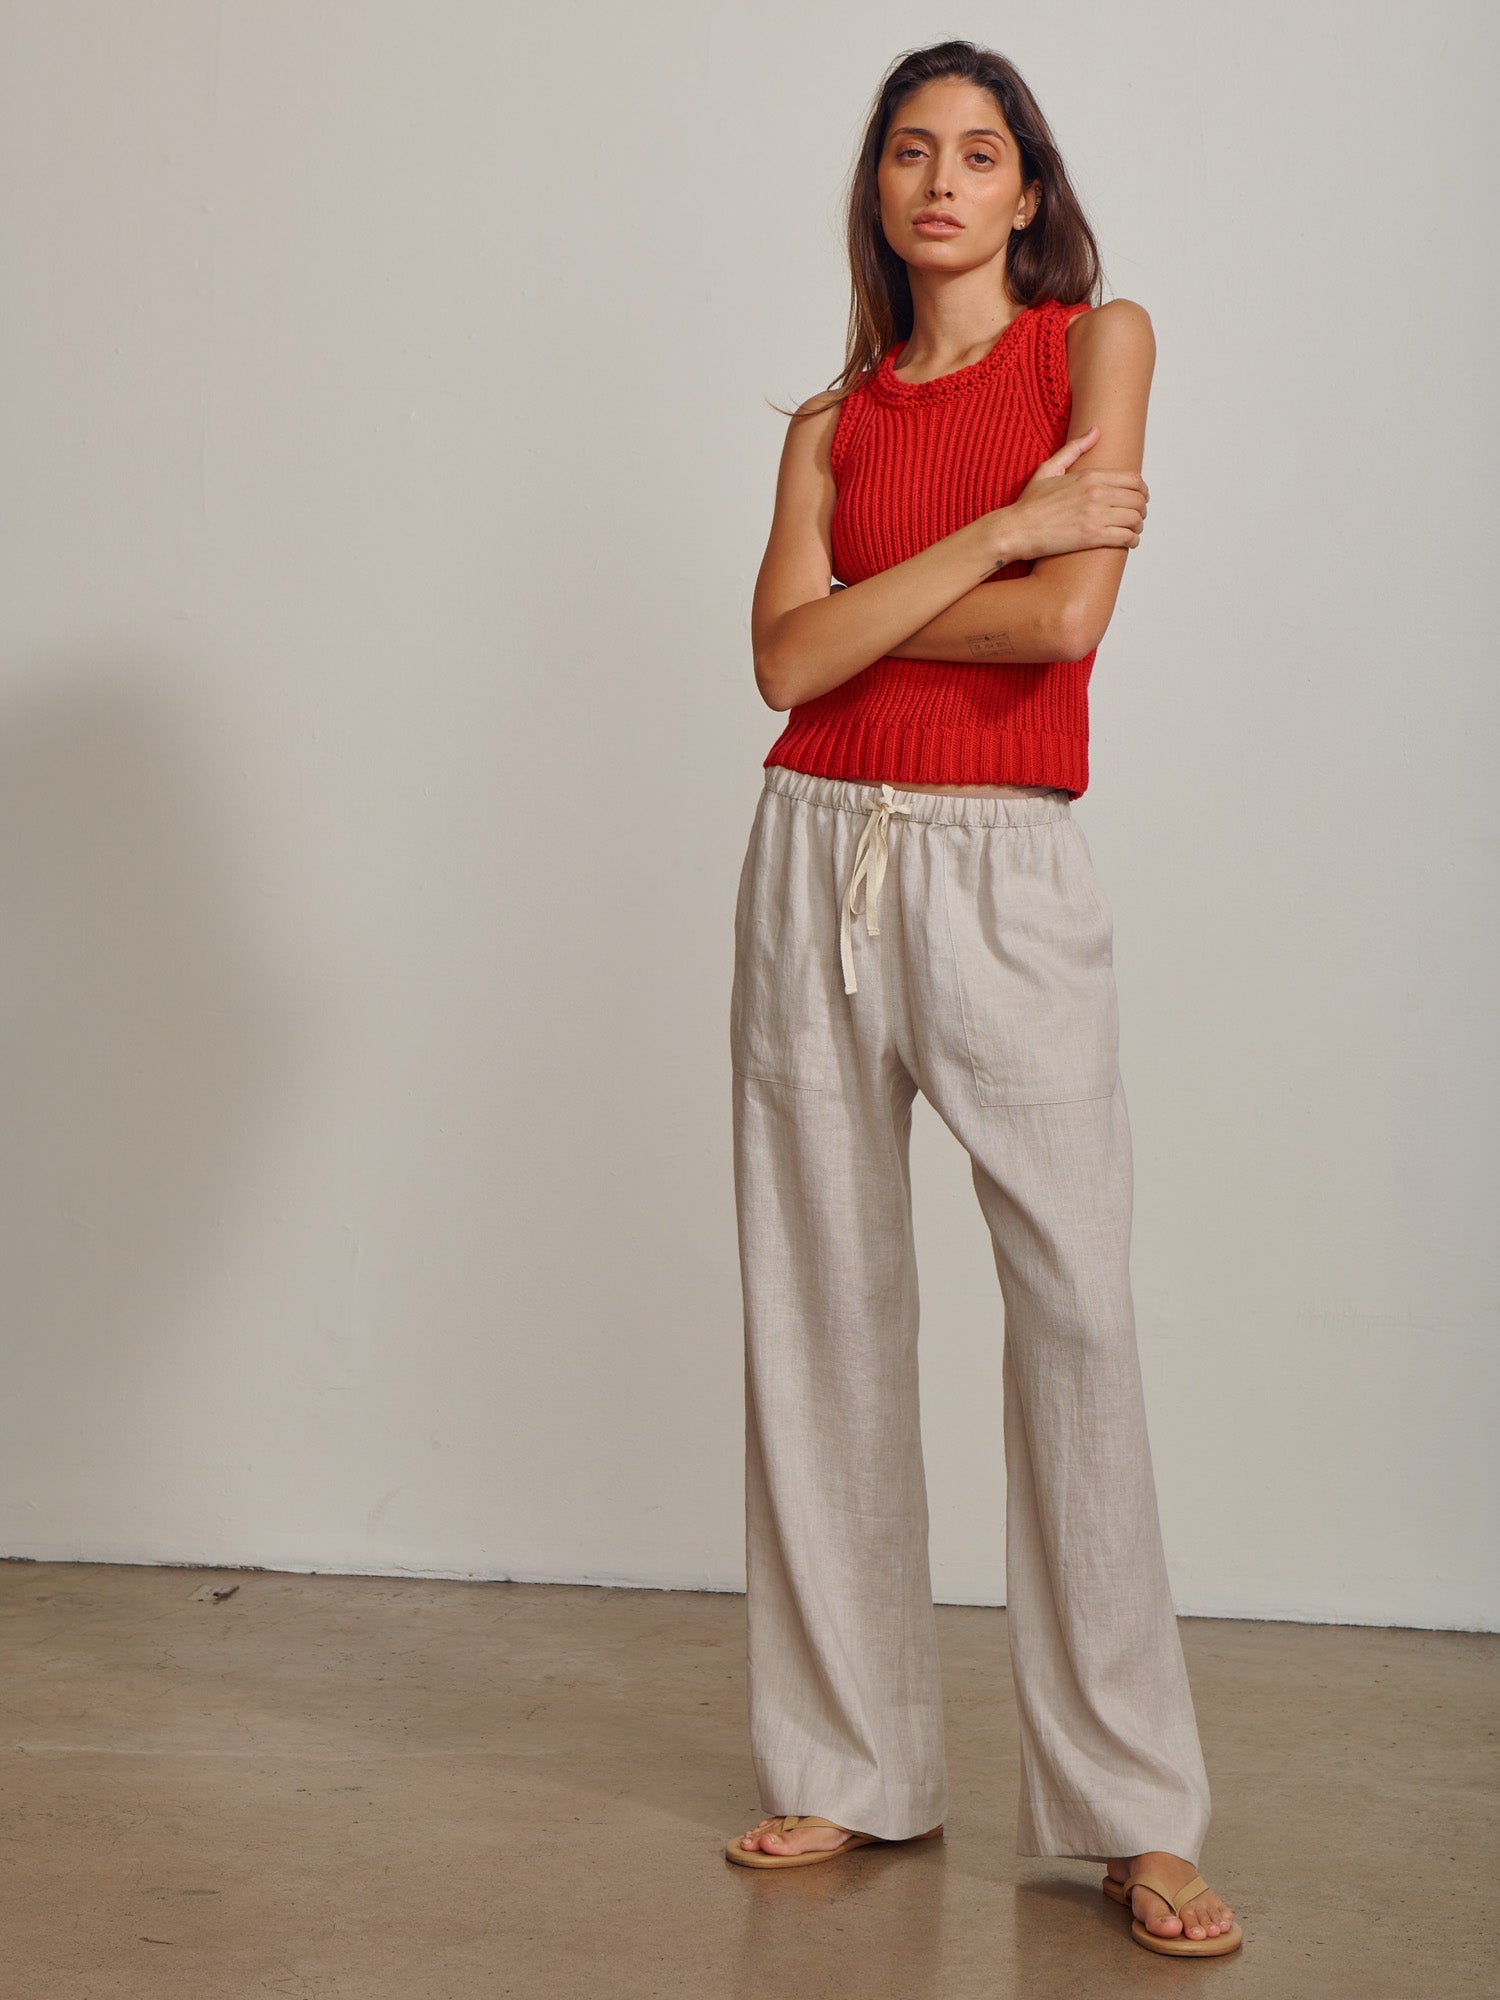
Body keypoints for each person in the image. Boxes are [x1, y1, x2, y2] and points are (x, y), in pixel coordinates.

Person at [722, 40, 1243, 1960]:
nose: (943, 179)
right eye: (910, 151)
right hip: (812, 857)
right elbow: (781, 667)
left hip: (1006, 862)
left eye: (981, 152)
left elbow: (1066, 624)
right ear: (876, 188)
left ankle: (1131, 1813)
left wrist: (891, 608)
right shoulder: (825, 423)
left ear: (1030, 190)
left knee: (1076, 1317)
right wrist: (995, 534)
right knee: (821, 1308)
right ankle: (851, 1760)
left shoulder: (1097, 344)